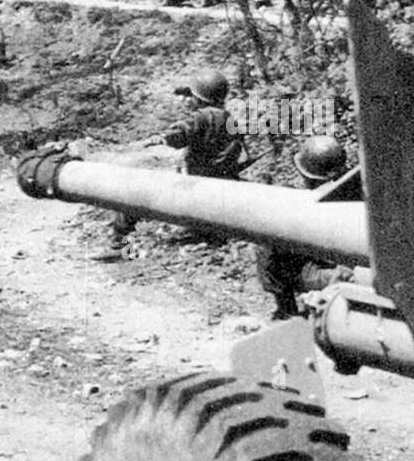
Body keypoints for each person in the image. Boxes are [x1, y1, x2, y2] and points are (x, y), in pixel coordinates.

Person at [96, 69, 246, 261]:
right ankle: (206, 232)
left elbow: (177, 137)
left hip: (196, 191)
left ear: (199, 97)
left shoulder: (200, 117)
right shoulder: (230, 119)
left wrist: (161, 137)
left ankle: (119, 245)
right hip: (224, 191)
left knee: (131, 192)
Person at [256, 136, 355, 320]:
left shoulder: (308, 202)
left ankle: (286, 312)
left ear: (306, 174)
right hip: (358, 267)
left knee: (266, 246)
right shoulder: (357, 187)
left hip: (337, 275)